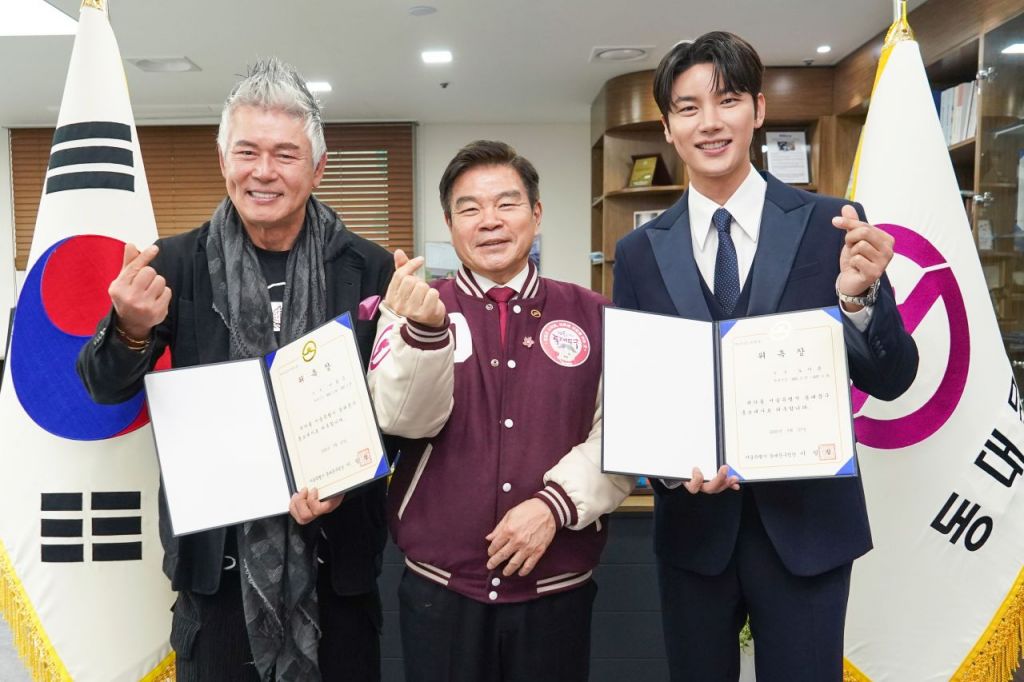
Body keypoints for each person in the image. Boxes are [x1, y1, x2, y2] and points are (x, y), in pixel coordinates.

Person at [612, 32, 919, 682]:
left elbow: (893, 378)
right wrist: (667, 472)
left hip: (808, 532)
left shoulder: (833, 225)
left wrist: (858, 300)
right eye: (689, 107)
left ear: (757, 109)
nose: (710, 122)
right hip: (693, 535)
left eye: (727, 100)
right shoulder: (640, 252)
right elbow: (640, 395)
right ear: (668, 127)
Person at [77, 58, 393, 681]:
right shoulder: (172, 264)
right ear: (223, 160)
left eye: (285, 154)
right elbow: (102, 387)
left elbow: (396, 415)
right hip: (217, 576)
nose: (263, 171)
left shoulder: (370, 269)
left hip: (338, 575)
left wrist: (348, 476)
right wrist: (131, 328)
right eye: (247, 151)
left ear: (318, 168)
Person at [366, 140, 634, 682]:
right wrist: (424, 334)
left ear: (536, 213)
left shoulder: (595, 314)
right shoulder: (414, 309)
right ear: (449, 224)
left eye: (507, 203)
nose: (489, 220)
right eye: (469, 208)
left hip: (556, 588)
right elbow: (400, 420)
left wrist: (555, 505)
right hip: (439, 589)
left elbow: (626, 432)